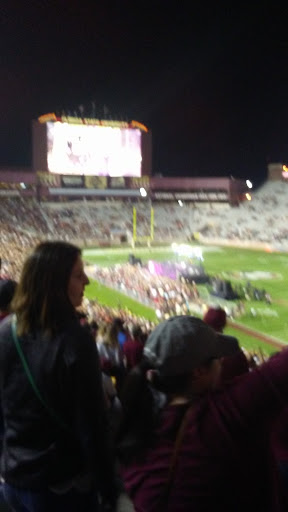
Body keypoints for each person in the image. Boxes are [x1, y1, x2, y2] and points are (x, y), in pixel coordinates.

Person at [117, 315, 288, 511]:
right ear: (198, 372)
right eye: (217, 358)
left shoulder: (140, 423)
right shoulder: (221, 417)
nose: (222, 361)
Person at [0, 241, 121, 512]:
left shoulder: (6, 330)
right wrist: (107, 488)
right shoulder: (74, 341)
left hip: (14, 479)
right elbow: (91, 425)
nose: (87, 281)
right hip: (60, 486)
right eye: (79, 275)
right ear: (54, 282)